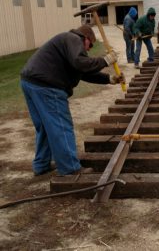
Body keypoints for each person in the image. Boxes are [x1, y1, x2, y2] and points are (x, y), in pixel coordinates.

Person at [20, 25, 124, 176]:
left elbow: (83, 71)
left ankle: (41, 164)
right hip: (47, 86)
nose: (88, 49)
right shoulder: (74, 38)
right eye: (90, 45)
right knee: (60, 126)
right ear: (86, 38)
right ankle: (70, 168)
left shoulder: (66, 44)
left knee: (44, 127)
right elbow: (80, 63)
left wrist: (109, 79)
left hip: (30, 82)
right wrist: (105, 60)